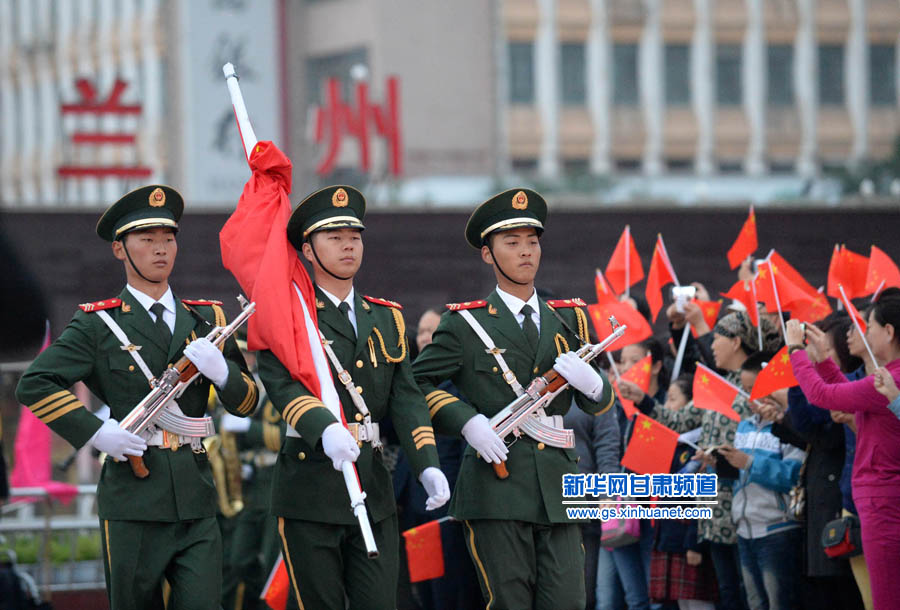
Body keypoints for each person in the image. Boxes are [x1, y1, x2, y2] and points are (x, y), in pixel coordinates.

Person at [15, 185, 257, 610]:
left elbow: (248, 403)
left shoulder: (209, 319)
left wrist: (224, 375)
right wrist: (96, 432)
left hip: (196, 495)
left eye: (168, 238)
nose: (161, 249)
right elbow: (35, 383)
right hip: (134, 501)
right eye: (146, 240)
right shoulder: (98, 324)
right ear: (120, 250)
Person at [412, 188, 615, 610]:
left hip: (560, 486)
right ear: (487, 255)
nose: (526, 252)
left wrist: (594, 386)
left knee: (569, 602)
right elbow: (416, 385)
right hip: (496, 488)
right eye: (512, 242)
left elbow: (599, 403)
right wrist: (468, 422)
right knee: (510, 602)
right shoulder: (464, 323)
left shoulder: (570, 315)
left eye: (532, 241)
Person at [254, 185, 450, 610]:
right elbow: (282, 384)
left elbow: (407, 400)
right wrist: (323, 428)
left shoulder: (386, 316)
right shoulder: (290, 316)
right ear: (307, 249)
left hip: (372, 487)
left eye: (354, 236)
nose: (348, 246)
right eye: (334, 237)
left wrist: (427, 465)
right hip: (310, 491)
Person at [785, 288, 900, 610]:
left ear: (888, 332)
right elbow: (845, 392)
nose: (863, 333)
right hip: (881, 497)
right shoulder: (887, 378)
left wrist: (796, 351)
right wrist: (821, 361)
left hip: (884, 499)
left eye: (869, 327)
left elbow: (822, 396)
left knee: (887, 598)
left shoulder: (893, 379)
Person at [718, 387, 805, 610]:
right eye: (746, 389)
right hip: (745, 529)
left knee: (780, 602)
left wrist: (749, 463)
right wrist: (716, 466)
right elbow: (737, 479)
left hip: (777, 529)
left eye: (753, 389)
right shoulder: (744, 425)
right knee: (755, 603)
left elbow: (794, 476)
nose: (748, 396)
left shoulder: (790, 427)